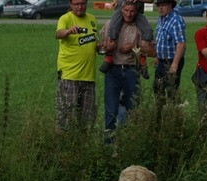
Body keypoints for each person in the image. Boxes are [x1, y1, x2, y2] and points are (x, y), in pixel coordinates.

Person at [100, 1, 151, 139]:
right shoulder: (111, 24)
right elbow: (99, 47)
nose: (129, 14)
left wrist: (134, 46)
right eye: (126, 10)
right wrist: (107, 49)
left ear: (136, 11)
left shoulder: (139, 25)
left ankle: (130, 142)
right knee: (111, 109)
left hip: (131, 70)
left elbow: (153, 51)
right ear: (122, 9)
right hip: (113, 71)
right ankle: (109, 143)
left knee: (132, 108)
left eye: (132, 11)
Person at [55, 0, 99, 131]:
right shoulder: (66, 18)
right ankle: (63, 147)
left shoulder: (92, 19)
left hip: (89, 77)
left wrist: (101, 47)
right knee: (67, 117)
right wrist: (68, 31)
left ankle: (81, 149)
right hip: (70, 76)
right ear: (71, 4)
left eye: (83, 3)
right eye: (76, 4)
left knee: (86, 120)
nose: (80, 7)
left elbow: (93, 41)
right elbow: (58, 33)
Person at [99, 0, 152, 79]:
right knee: (113, 26)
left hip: (137, 11)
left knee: (147, 30)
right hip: (121, 8)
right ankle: (109, 56)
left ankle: (142, 60)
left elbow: (151, 1)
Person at [153, 0, 185, 103]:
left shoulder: (176, 20)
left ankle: (172, 115)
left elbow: (180, 43)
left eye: (163, 5)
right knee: (158, 89)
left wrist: (175, 64)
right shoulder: (161, 19)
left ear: (170, 5)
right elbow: (159, 39)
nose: (160, 8)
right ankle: (160, 115)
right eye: (159, 5)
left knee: (171, 91)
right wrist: (157, 56)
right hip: (162, 61)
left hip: (172, 61)